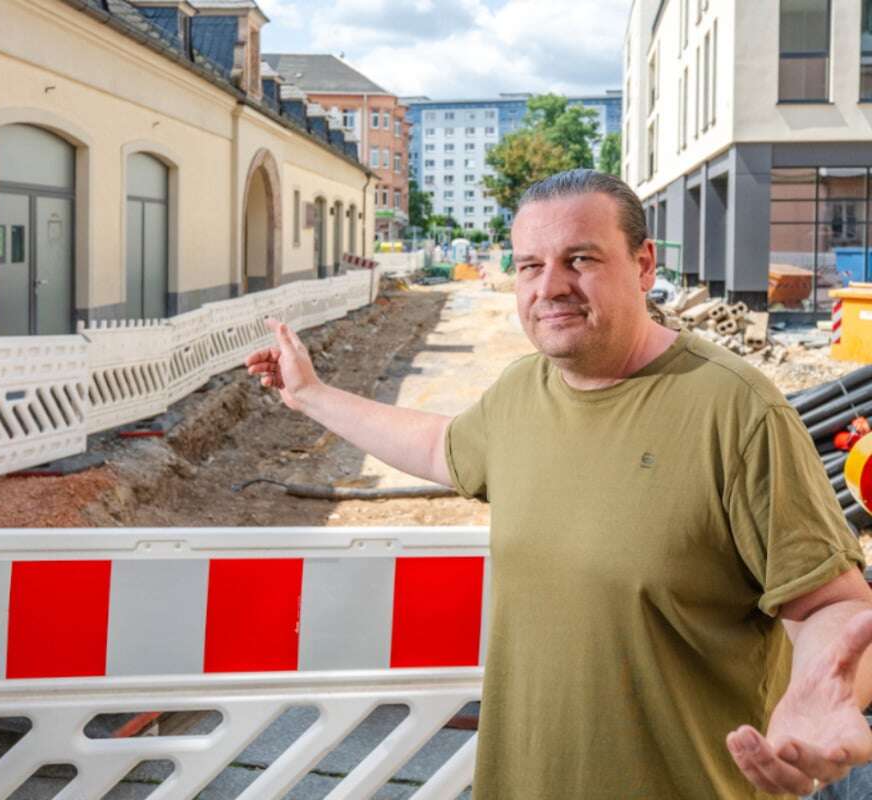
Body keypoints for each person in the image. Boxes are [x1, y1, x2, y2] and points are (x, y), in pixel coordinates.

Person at [246, 169, 872, 799]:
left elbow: (831, 604)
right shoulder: (523, 391)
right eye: (529, 266)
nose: (550, 287)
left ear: (643, 263)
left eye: (580, 258)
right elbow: (440, 446)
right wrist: (312, 396)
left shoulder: (736, 412)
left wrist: (823, 688)